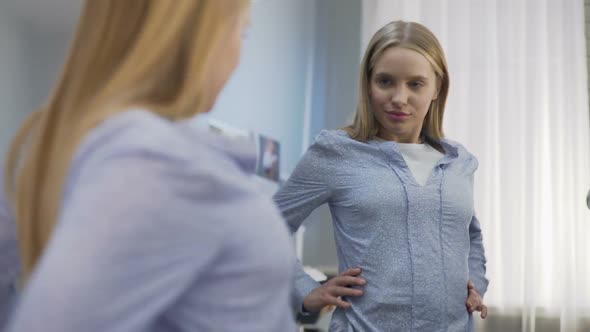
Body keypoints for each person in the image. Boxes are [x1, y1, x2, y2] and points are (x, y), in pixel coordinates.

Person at [0, 1, 297, 331]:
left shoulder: (69, 148)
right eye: (242, 31)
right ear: (198, 36)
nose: (237, 57)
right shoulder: (158, 166)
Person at [274, 20, 489, 331]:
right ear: (368, 84)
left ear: (436, 88)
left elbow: (470, 234)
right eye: (385, 82)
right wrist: (306, 291)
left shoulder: (460, 163)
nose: (399, 97)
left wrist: (476, 283)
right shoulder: (336, 153)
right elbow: (267, 227)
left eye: (415, 84)